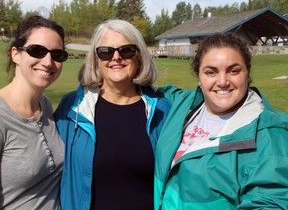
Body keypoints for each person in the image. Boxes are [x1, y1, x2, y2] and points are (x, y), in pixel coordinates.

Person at [154, 33, 288, 209]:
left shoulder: (270, 136)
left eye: (234, 71)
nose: (223, 81)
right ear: (199, 78)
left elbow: (271, 201)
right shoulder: (184, 104)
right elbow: (143, 87)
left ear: (247, 74)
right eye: (211, 72)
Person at [54, 19, 171, 210]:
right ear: (96, 60)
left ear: (139, 56)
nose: (116, 57)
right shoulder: (72, 108)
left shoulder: (162, 111)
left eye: (126, 50)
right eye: (106, 51)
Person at [0, 15, 68, 209]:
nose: (48, 62)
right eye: (37, 51)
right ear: (16, 54)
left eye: (57, 55)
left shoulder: (45, 106)